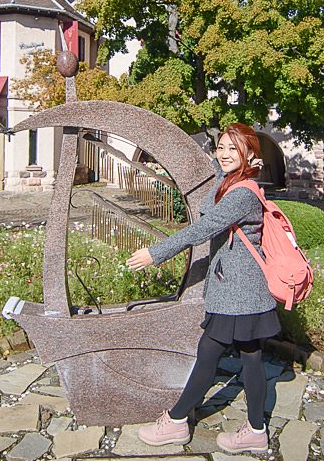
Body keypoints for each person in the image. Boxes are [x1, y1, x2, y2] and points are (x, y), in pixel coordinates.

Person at [127, 123, 279, 453]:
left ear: (250, 154)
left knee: (210, 352)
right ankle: (255, 430)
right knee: (250, 358)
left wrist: (155, 253)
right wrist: (220, 170)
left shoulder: (241, 193)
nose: (223, 154)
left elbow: (204, 225)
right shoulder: (231, 183)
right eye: (220, 148)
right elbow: (210, 207)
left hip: (239, 293)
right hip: (244, 290)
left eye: (232, 149)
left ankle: (177, 420)